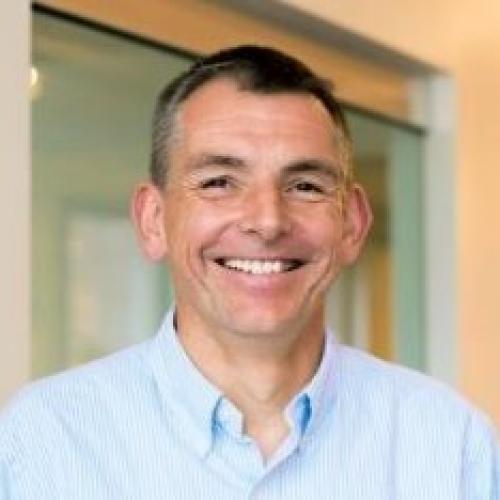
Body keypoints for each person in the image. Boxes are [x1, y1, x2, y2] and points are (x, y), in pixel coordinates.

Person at [1, 45, 498, 499]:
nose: (267, 221)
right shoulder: (41, 443)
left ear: (352, 223)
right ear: (153, 221)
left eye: (305, 186)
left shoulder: (452, 447)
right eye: (219, 182)